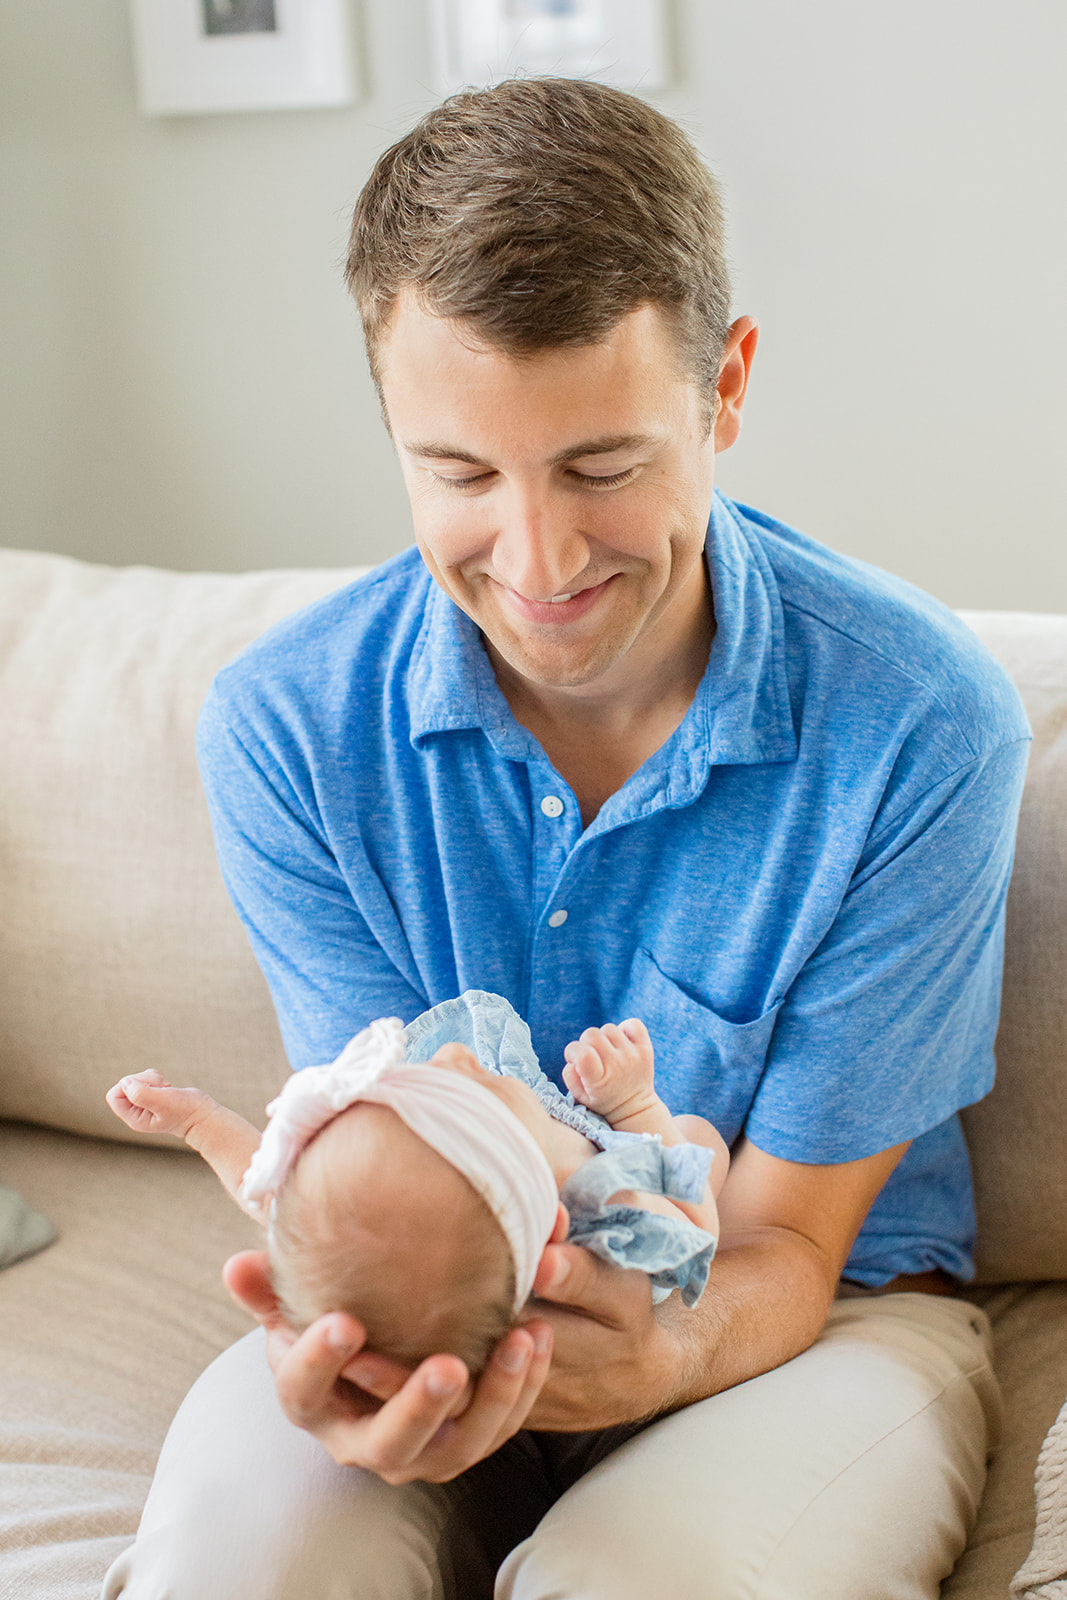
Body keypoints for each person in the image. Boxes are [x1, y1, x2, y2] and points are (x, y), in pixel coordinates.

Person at [103, 75, 1030, 1600]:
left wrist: (645, 1352)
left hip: (808, 1310)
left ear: (721, 388)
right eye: (459, 474)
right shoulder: (283, 729)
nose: (535, 564)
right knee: (234, 1568)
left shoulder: (917, 724)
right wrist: (371, 1362)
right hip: (444, 1299)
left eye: (601, 467)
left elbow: (784, 1250)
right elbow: (372, 1157)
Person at [104, 998, 728, 1372]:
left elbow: (264, 1187)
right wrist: (636, 1105)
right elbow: (695, 1233)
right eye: (473, 1088)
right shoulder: (595, 1206)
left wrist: (200, 1123)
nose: (458, 1057)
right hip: (614, 1157)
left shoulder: (360, 1218)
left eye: (428, 1073)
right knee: (701, 1139)